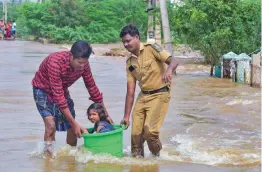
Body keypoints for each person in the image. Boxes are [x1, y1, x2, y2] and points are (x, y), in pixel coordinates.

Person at [32, 40, 113, 151]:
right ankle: (48, 160)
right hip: (42, 90)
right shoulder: (55, 63)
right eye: (79, 62)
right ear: (71, 55)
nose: (82, 66)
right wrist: (75, 123)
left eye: (85, 62)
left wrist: (106, 115)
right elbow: (59, 98)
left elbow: (92, 87)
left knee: (72, 128)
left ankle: (71, 158)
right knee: (51, 126)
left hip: (62, 89)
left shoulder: (84, 64)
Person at [119, 24, 179, 157]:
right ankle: (137, 163)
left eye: (128, 41)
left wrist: (169, 70)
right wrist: (126, 116)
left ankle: (156, 158)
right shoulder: (129, 63)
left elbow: (174, 61)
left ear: (137, 37)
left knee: (150, 131)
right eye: (123, 42)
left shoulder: (151, 48)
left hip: (160, 93)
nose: (126, 44)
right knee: (135, 135)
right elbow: (130, 92)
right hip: (143, 96)